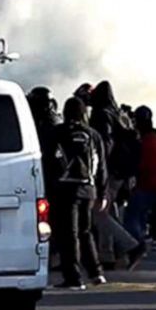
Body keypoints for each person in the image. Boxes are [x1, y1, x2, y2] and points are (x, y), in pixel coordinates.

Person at [50, 97, 107, 290]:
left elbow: (49, 161)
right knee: (86, 231)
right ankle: (96, 273)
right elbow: (101, 166)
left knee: (69, 234)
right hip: (88, 188)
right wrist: (103, 192)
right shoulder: (93, 135)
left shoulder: (58, 133)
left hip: (65, 188)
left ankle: (73, 278)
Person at [87, 81, 144, 270]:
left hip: (109, 170)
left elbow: (104, 144)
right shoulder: (118, 114)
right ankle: (108, 254)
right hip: (121, 171)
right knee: (109, 211)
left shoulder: (101, 114)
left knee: (98, 211)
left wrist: (99, 169)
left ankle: (128, 245)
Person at [124, 106, 156, 248]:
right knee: (143, 212)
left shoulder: (143, 143)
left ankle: (137, 244)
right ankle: (145, 238)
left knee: (132, 214)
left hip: (147, 184)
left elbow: (142, 166)